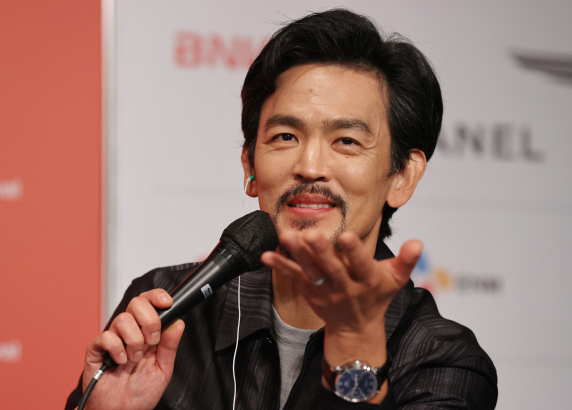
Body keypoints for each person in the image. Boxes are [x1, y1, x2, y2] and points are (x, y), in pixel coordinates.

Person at [66, 8, 497, 410]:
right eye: (285, 137)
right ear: (250, 166)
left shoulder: (444, 359)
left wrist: (355, 361)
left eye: (346, 141)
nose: (309, 166)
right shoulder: (167, 312)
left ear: (402, 176)